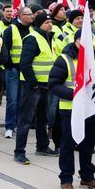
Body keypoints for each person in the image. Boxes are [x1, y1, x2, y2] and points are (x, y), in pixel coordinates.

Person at [49, 29, 95, 189]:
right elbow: (54, 85)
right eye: (82, 41)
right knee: (68, 145)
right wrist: (75, 95)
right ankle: (66, 179)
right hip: (70, 111)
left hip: (92, 110)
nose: (86, 45)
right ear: (76, 41)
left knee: (88, 145)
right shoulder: (65, 59)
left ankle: (87, 176)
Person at [14, 11, 58, 165]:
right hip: (32, 86)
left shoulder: (49, 38)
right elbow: (24, 64)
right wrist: (33, 83)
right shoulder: (32, 39)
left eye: (50, 22)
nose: (50, 24)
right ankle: (19, 152)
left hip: (45, 86)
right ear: (39, 24)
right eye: (47, 22)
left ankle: (42, 146)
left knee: (42, 118)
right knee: (25, 120)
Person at [0, 6, 32, 139]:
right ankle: (9, 126)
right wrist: (10, 65)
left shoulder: (31, 30)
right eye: (28, 14)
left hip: (26, 71)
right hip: (13, 70)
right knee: (13, 100)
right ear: (21, 16)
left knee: (23, 100)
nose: (31, 16)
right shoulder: (10, 30)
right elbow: (5, 49)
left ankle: (20, 124)